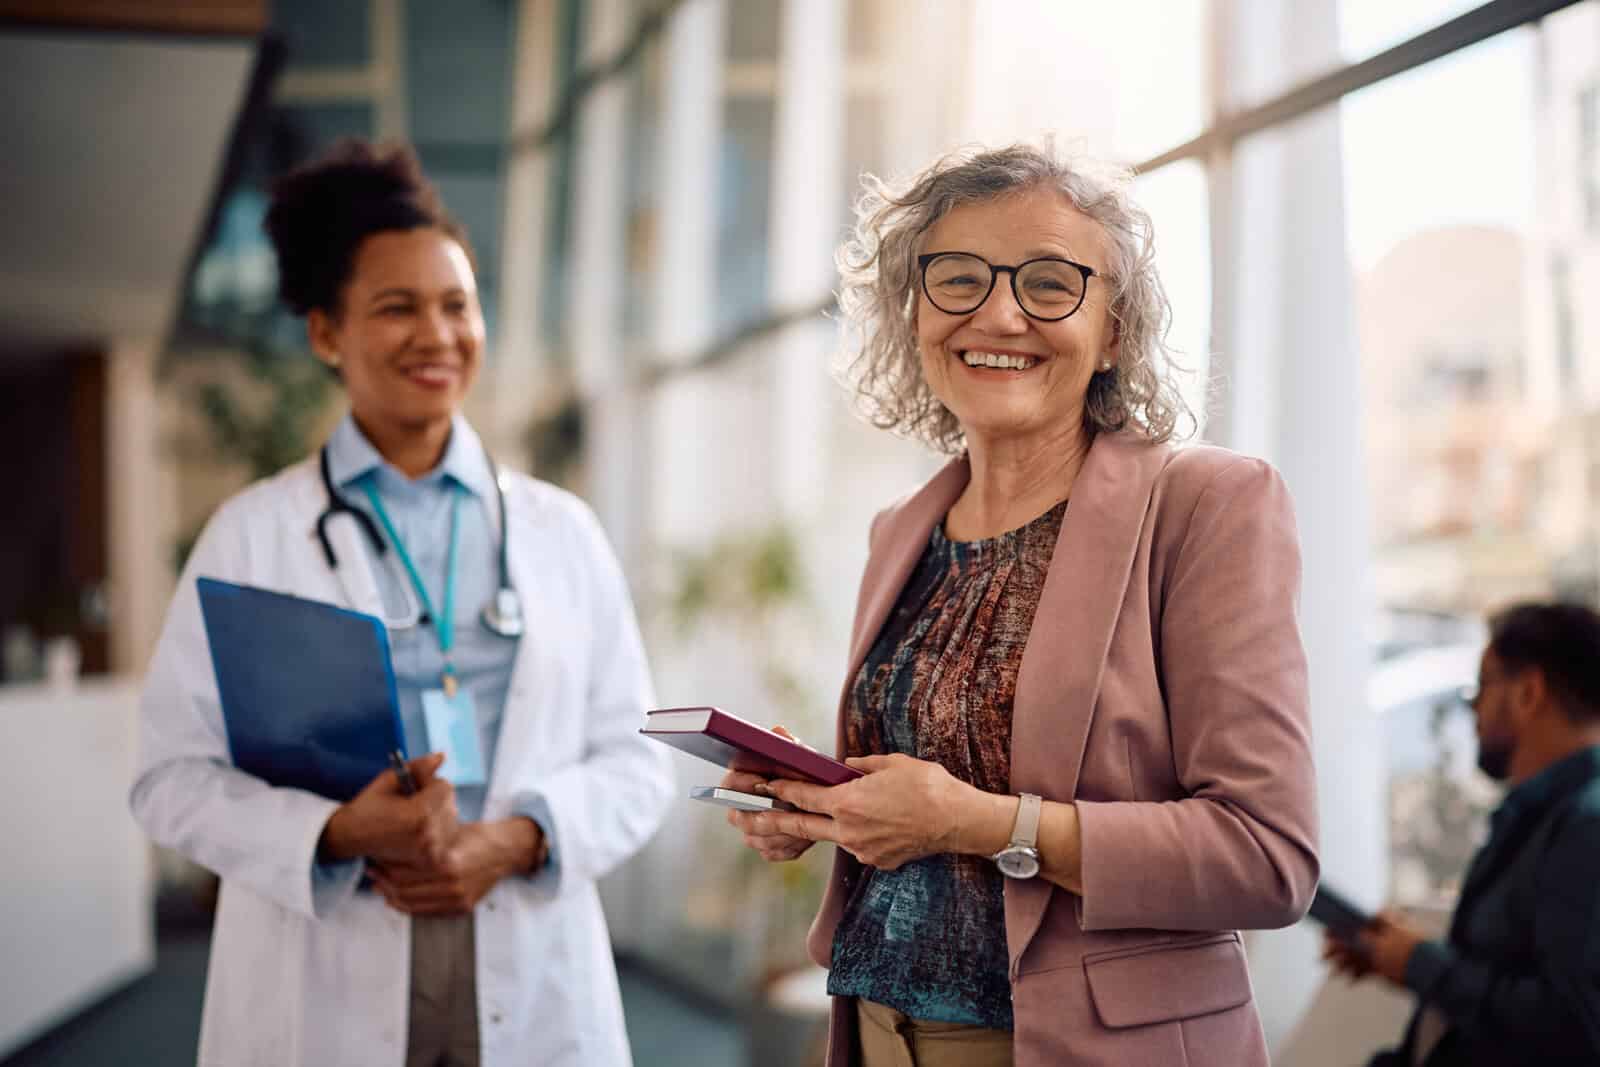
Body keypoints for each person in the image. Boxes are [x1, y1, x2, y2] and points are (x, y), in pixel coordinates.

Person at [721, 143, 1320, 1067]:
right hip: (876, 1031)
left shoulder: (1207, 506)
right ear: (913, 309)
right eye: (957, 277)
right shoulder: (902, 530)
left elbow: (1267, 855)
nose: (998, 312)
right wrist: (820, 806)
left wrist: (981, 823)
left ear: (1114, 329)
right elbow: (922, 800)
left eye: (1050, 283)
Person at [130, 140, 672, 1067]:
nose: (439, 333)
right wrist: (334, 830)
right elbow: (169, 778)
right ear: (327, 333)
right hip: (331, 942)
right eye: (398, 307)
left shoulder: (561, 529)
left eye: (457, 304)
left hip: (521, 939)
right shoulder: (250, 535)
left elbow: (638, 754)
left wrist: (517, 837)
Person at [1323, 602, 1600, 1066]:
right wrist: (1402, 955)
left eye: (1482, 688)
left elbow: (1570, 1027)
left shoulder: (1585, 828)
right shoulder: (1535, 816)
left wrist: (1421, 964)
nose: (1472, 710)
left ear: (1528, 693)